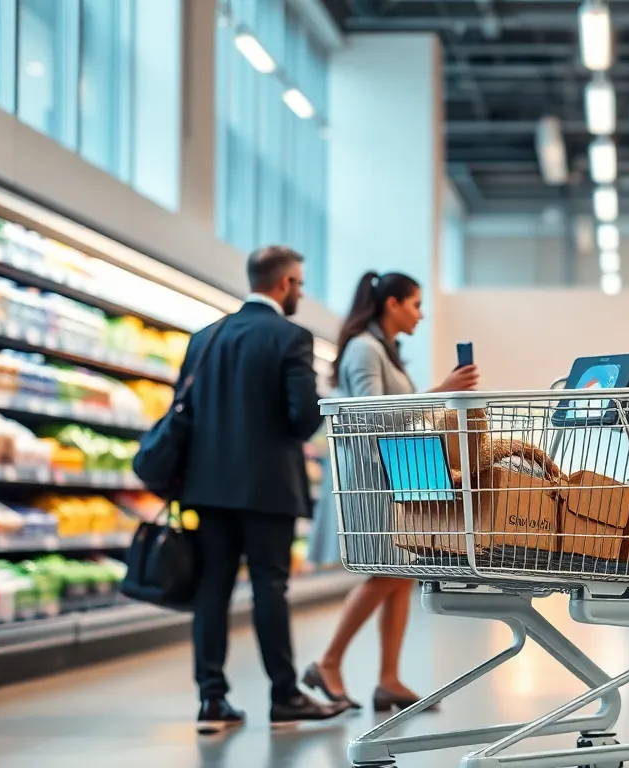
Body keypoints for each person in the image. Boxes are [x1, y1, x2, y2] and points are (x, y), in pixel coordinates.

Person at [178, 246, 341, 733]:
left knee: (212, 589)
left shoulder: (204, 337)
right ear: (286, 283)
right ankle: (284, 694)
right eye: (300, 284)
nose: (302, 293)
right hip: (267, 487)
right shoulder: (290, 338)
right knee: (270, 588)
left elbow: (184, 410)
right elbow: (303, 418)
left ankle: (211, 701)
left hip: (206, 486)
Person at [306, 271, 480, 711]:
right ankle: (327, 662)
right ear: (392, 304)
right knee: (387, 571)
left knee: (401, 573)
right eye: (416, 304)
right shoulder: (364, 349)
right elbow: (373, 417)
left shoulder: (383, 350)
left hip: (393, 473)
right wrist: (441, 391)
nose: (421, 314)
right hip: (369, 478)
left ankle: (389, 679)